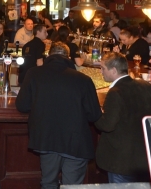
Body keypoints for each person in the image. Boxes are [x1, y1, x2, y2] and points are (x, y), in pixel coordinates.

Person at [16, 42, 102, 189]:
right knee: (72, 187)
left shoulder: (33, 73)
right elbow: (94, 115)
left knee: (48, 183)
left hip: (46, 138)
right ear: (68, 57)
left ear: (49, 55)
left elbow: (22, 105)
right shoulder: (83, 79)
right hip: (76, 141)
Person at [95, 52, 151, 183]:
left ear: (113, 70)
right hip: (145, 159)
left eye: (103, 68)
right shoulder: (146, 86)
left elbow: (107, 125)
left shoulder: (115, 92)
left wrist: (96, 114)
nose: (101, 71)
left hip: (121, 161)